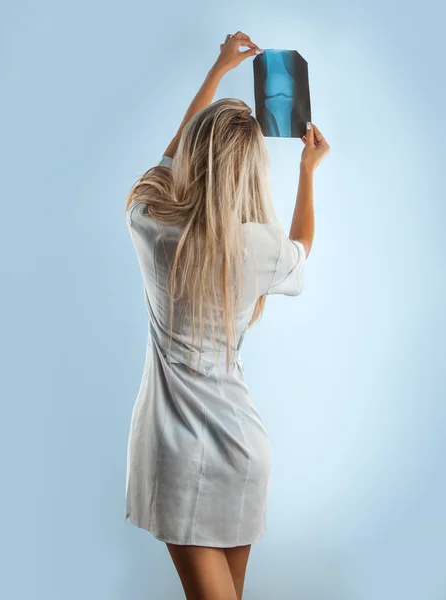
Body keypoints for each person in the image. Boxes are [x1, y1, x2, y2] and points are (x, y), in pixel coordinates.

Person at [124, 31, 330, 600]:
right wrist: (308, 172)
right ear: (249, 170)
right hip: (242, 451)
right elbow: (302, 248)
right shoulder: (257, 247)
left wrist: (217, 72)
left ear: (196, 152)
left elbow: (170, 157)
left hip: (177, 451)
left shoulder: (150, 225)